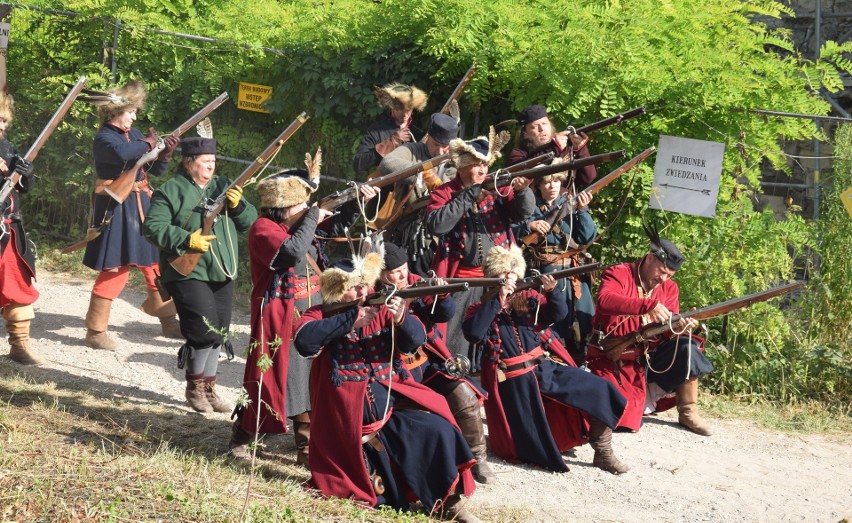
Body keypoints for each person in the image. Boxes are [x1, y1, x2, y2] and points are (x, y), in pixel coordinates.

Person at [293, 242, 480, 522]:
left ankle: (448, 504)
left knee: (439, 430)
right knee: (374, 495)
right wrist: (349, 322)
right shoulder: (320, 315)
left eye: (363, 285)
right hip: (344, 429)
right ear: (336, 291)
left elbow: (416, 339)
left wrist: (401, 316)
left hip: (389, 414)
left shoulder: (380, 309)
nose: (361, 292)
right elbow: (304, 341)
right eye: (353, 287)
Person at [229, 149, 379, 466]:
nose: (306, 209)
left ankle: (306, 448)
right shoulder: (262, 228)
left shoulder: (302, 224)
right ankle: (241, 437)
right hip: (278, 316)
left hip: (310, 309)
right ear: (283, 207)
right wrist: (314, 213)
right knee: (266, 382)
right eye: (301, 204)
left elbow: (334, 229)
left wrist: (356, 202)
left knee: (310, 379)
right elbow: (292, 253)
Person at [463, 244, 629, 474]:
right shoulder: (480, 308)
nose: (509, 280)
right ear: (492, 277)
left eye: (512, 275)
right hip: (513, 380)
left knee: (599, 388)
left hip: (543, 368)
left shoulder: (527, 298)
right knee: (529, 448)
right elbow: (473, 333)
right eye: (503, 276)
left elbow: (557, 315)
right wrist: (497, 300)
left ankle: (603, 453)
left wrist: (552, 293)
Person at [143, 136, 257, 413]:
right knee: (203, 332)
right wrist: (186, 240)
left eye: (213, 161)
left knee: (219, 333)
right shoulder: (170, 190)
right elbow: (153, 228)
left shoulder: (223, 187)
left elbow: (252, 223)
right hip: (187, 272)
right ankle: (194, 386)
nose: (210, 166)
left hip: (222, 269)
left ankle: (209, 387)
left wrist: (239, 205)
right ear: (188, 162)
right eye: (205, 161)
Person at [379, 242, 494, 484]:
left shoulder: (414, 281)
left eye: (404, 268)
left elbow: (442, 316)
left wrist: (442, 296)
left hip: (424, 364)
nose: (402, 275)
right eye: (395, 272)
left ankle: (478, 459)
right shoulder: (371, 295)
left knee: (464, 394)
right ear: (379, 274)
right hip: (393, 372)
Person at [585, 226, 714, 436]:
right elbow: (605, 300)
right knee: (620, 417)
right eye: (662, 272)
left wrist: (679, 326)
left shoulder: (670, 288)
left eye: (669, 275)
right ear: (649, 258)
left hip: (647, 357)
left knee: (687, 346)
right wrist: (647, 305)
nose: (664, 279)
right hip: (612, 357)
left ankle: (688, 412)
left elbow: (666, 331)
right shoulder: (618, 273)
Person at [81, 80, 181, 351]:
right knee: (117, 267)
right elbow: (123, 154)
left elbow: (153, 172)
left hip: (139, 203)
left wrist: (164, 154)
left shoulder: (134, 134)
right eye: (132, 111)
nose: (135, 116)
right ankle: (95, 331)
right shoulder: (105, 138)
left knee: (154, 265)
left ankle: (169, 321)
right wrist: (148, 144)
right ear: (117, 111)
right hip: (116, 206)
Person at [426, 131, 534, 366]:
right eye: (476, 165)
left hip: (500, 280)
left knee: (499, 342)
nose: (482, 171)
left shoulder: (496, 188)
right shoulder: (444, 193)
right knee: (456, 347)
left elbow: (522, 213)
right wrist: (467, 197)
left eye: (485, 165)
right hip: (462, 282)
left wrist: (523, 190)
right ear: (463, 167)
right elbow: (437, 225)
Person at [513, 172, 597, 363]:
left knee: (581, 323)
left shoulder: (573, 205)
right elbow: (511, 231)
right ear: (539, 186)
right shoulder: (530, 207)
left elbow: (587, 238)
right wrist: (529, 225)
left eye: (556, 181)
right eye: (547, 182)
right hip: (542, 271)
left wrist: (582, 210)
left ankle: (578, 361)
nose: (552, 186)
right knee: (545, 321)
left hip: (572, 273)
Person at [375, 112, 458, 275]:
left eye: (446, 146)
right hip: (413, 238)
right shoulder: (412, 150)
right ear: (428, 137)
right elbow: (387, 164)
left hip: (448, 239)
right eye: (436, 144)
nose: (441, 151)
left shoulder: (456, 160)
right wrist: (423, 173)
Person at [0, 88, 40, 365]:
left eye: (3, 121)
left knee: (17, 284)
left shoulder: (6, 146)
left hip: (8, 228)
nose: (1, 126)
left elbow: (22, 188)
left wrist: (24, 174)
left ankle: (20, 344)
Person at [505, 104, 597, 185]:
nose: (541, 129)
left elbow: (588, 178)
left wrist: (581, 150)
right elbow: (520, 174)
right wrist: (554, 148)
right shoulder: (518, 155)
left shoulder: (566, 148)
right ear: (525, 132)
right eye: (534, 126)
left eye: (544, 123)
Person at [352, 83, 427, 177]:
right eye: (400, 109)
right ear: (392, 107)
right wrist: (392, 142)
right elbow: (359, 164)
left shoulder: (418, 133)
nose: (405, 114)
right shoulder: (377, 130)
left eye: (408, 109)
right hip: (382, 187)